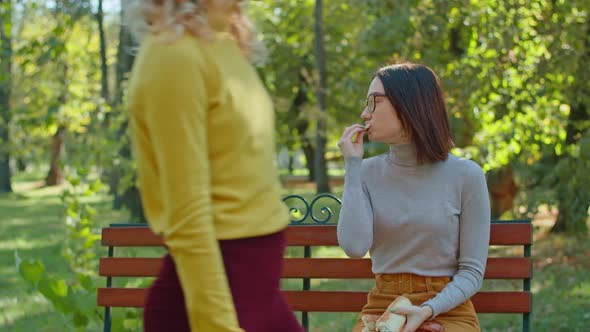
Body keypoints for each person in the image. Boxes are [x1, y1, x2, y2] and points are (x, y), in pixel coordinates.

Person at [125, 1, 304, 331]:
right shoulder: (172, 55)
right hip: (214, 304)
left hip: (258, 293)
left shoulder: (223, 42)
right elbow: (186, 214)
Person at [337, 62, 491, 332]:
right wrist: (352, 166)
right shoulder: (366, 172)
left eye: (373, 102)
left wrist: (427, 310)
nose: (364, 113)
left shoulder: (466, 175)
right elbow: (354, 247)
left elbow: (472, 273)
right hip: (384, 306)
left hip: (449, 309)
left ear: (409, 104)